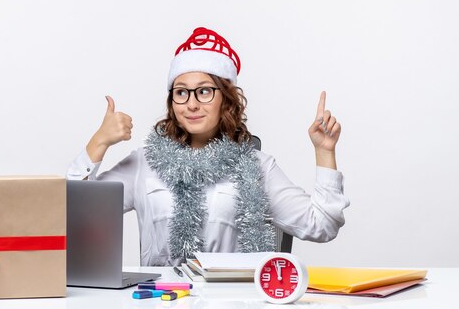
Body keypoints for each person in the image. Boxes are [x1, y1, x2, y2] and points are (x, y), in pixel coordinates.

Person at [67, 27, 350, 267]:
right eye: (181, 92)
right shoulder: (145, 163)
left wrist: (325, 152)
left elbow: (322, 225)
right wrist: (99, 141)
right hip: (159, 300)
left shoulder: (258, 166)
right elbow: (75, 212)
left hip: (234, 300)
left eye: (204, 91)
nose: (191, 103)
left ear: (225, 99)